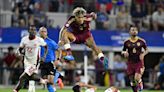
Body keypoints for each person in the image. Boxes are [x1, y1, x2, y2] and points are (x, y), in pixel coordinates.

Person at [13, 25, 48, 92]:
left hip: (34, 62)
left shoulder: (39, 40)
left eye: (34, 30)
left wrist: (44, 56)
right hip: (26, 61)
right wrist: (20, 53)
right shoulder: (24, 39)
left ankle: (15, 90)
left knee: (22, 77)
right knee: (30, 76)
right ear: (28, 31)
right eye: (32, 30)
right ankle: (43, 81)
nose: (33, 31)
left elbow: (46, 46)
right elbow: (20, 49)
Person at [122, 25, 148, 92]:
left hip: (139, 62)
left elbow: (147, 50)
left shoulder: (142, 41)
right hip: (130, 62)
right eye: (132, 30)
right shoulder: (126, 42)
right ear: (129, 32)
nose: (134, 31)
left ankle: (140, 83)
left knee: (137, 78)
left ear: (137, 32)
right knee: (132, 79)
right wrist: (124, 53)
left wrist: (143, 54)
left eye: (135, 30)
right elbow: (123, 50)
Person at [39, 27, 63, 92]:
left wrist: (57, 59)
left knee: (50, 82)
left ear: (47, 33)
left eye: (44, 31)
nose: (43, 33)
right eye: (42, 31)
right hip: (42, 63)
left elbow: (59, 50)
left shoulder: (51, 42)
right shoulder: (37, 41)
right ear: (39, 32)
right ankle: (57, 80)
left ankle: (57, 78)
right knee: (43, 82)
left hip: (50, 63)